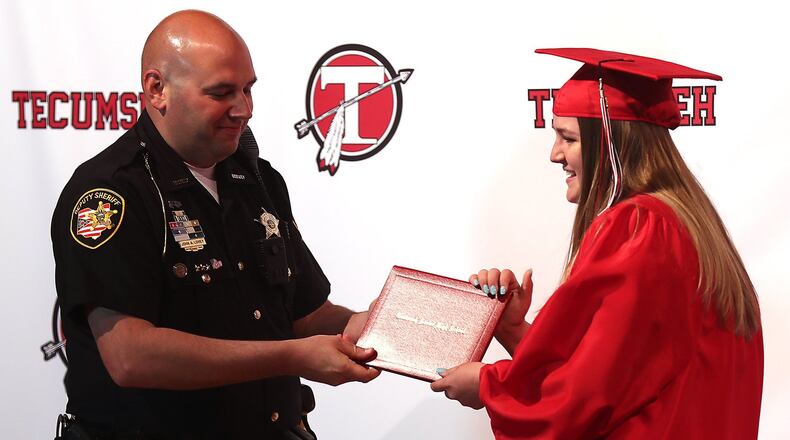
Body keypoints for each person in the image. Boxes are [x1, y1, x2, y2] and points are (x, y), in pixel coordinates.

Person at [51, 10, 378, 439]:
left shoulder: (259, 180)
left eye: (247, 89)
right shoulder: (110, 193)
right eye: (222, 92)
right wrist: (292, 357)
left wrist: (361, 325)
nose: (244, 109)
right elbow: (131, 356)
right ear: (157, 90)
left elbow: (302, 315)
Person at [431, 48, 763, 439]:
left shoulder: (639, 228)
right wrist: (515, 329)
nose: (555, 154)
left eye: (567, 137)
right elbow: (620, 376)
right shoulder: (691, 227)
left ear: (610, 141)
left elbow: (583, 398)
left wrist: (489, 385)